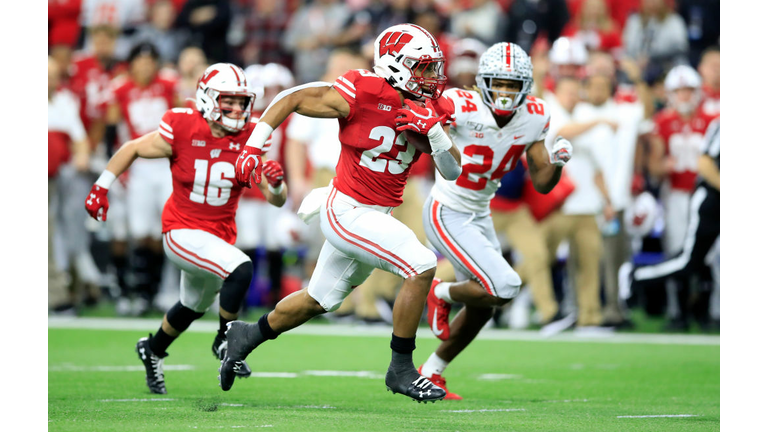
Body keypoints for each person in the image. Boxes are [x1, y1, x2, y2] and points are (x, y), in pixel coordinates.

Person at [221, 24, 463, 403]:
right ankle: (401, 368)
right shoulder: (366, 90)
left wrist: (435, 134)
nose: (431, 77)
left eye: (433, 68)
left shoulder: (432, 106)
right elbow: (292, 97)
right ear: (396, 66)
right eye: (422, 67)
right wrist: (254, 146)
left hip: (377, 214)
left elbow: (452, 170)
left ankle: (246, 335)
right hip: (347, 210)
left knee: (319, 300)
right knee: (420, 265)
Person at [84, 63, 288, 394]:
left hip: (217, 237)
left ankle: (152, 348)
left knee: (192, 306)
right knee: (241, 268)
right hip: (180, 230)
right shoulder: (182, 125)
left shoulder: (252, 136)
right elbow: (134, 147)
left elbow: (274, 198)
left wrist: (278, 186)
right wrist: (101, 186)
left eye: (242, 102)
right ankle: (227, 341)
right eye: (229, 101)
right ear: (208, 99)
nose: (238, 109)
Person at [418, 42, 572, 399]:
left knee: (485, 306)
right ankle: (439, 292)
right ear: (483, 82)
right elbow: (420, 127)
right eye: (498, 83)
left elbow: (542, 182)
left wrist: (559, 162)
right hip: (448, 207)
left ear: (525, 87)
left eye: (512, 85)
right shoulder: (460, 103)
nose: (504, 91)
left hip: (481, 211)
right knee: (504, 286)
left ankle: (432, 372)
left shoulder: (535, 115)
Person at [104, 42, 180, 315]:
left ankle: (158, 290)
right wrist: (116, 164)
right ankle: (137, 292)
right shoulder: (121, 89)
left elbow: (183, 120)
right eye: (140, 60)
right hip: (137, 166)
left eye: (150, 61)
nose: (145, 66)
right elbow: (111, 129)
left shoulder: (169, 84)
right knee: (139, 230)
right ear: (132, 63)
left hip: (165, 165)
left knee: (166, 228)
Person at [645, 64, 717, 330]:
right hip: (675, 194)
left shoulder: (712, 120)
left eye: (689, 91)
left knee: (710, 254)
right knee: (676, 251)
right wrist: (662, 166)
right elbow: (654, 166)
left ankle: (711, 311)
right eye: (680, 91)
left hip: (706, 195)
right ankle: (679, 312)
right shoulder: (663, 122)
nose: (685, 96)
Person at [632, 119, 719, 325]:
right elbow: (704, 163)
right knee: (689, 262)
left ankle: (714, 314)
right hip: (709, 198)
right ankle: (636, 276)